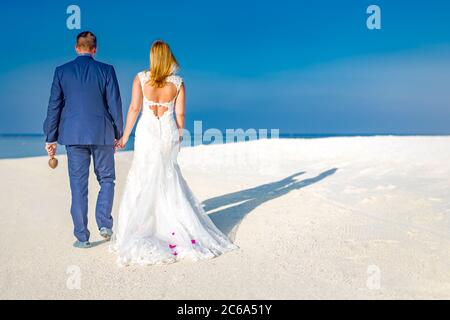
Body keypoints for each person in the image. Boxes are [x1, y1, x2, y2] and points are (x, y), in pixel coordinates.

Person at [110, 40, 237, 266]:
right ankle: (172, 226)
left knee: (143, 175)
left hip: (147, 132)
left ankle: (141, 226)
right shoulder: (178, 83)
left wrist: (124, 137)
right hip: (167, 133)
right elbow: (180, 116)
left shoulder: (140, 78)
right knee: (168, 177)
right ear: (168, 57)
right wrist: (178, 137)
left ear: (152, 57)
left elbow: (134, 109)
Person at [43, 31, 123, 248]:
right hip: (102, 132)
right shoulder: (107, 70)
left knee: (78, 186)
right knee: (106, 179)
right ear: (94, 49)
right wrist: (118, 133)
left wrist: (50, 137)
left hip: (73, 134)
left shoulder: (62, 72)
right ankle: (104, 223)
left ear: (76, 48)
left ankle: (82, 238)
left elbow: (54, 106)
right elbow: (115, 104)